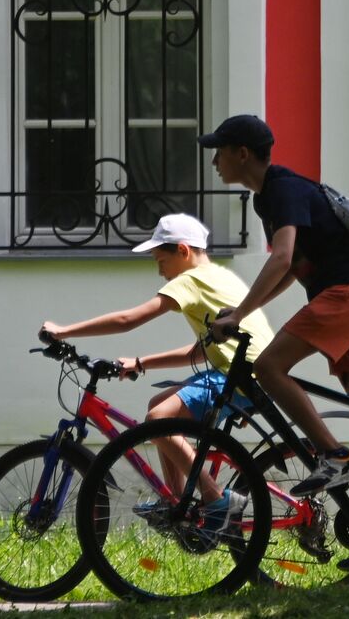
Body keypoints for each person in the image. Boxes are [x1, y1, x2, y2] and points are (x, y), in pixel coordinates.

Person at [40, 212, 275, 537]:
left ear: (182, 250)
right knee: (160, 405)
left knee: (157, 420)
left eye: (160, 259)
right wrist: (141, 362)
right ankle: (178, 502)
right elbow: (199, 352)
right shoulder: (220, 277)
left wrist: (64, 331)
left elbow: (128, 320)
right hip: (247, 372)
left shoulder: (190, 281)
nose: (158, 270)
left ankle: (216, 499)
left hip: (238, 374)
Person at [201, 114, 349, 497]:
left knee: (269, 367)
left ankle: (336, 455)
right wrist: (243, 312)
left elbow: (282, 258)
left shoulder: (282, 190)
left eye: (218, 152)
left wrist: (239, 314)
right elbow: (294, 267)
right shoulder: (265, 199)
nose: (214, 162)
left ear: (242, 154)